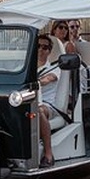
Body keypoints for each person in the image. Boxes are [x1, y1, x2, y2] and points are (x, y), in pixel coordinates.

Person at [35, 34, 60, 168]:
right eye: (38, 46)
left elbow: (47, 79)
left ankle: (48, 154)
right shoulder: (25, 69)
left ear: (49, 51)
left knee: (38, 111)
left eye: (44, 47)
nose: (40, 50)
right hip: (26, 101)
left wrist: (37, 81)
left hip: (48, 105)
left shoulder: (55, 68)